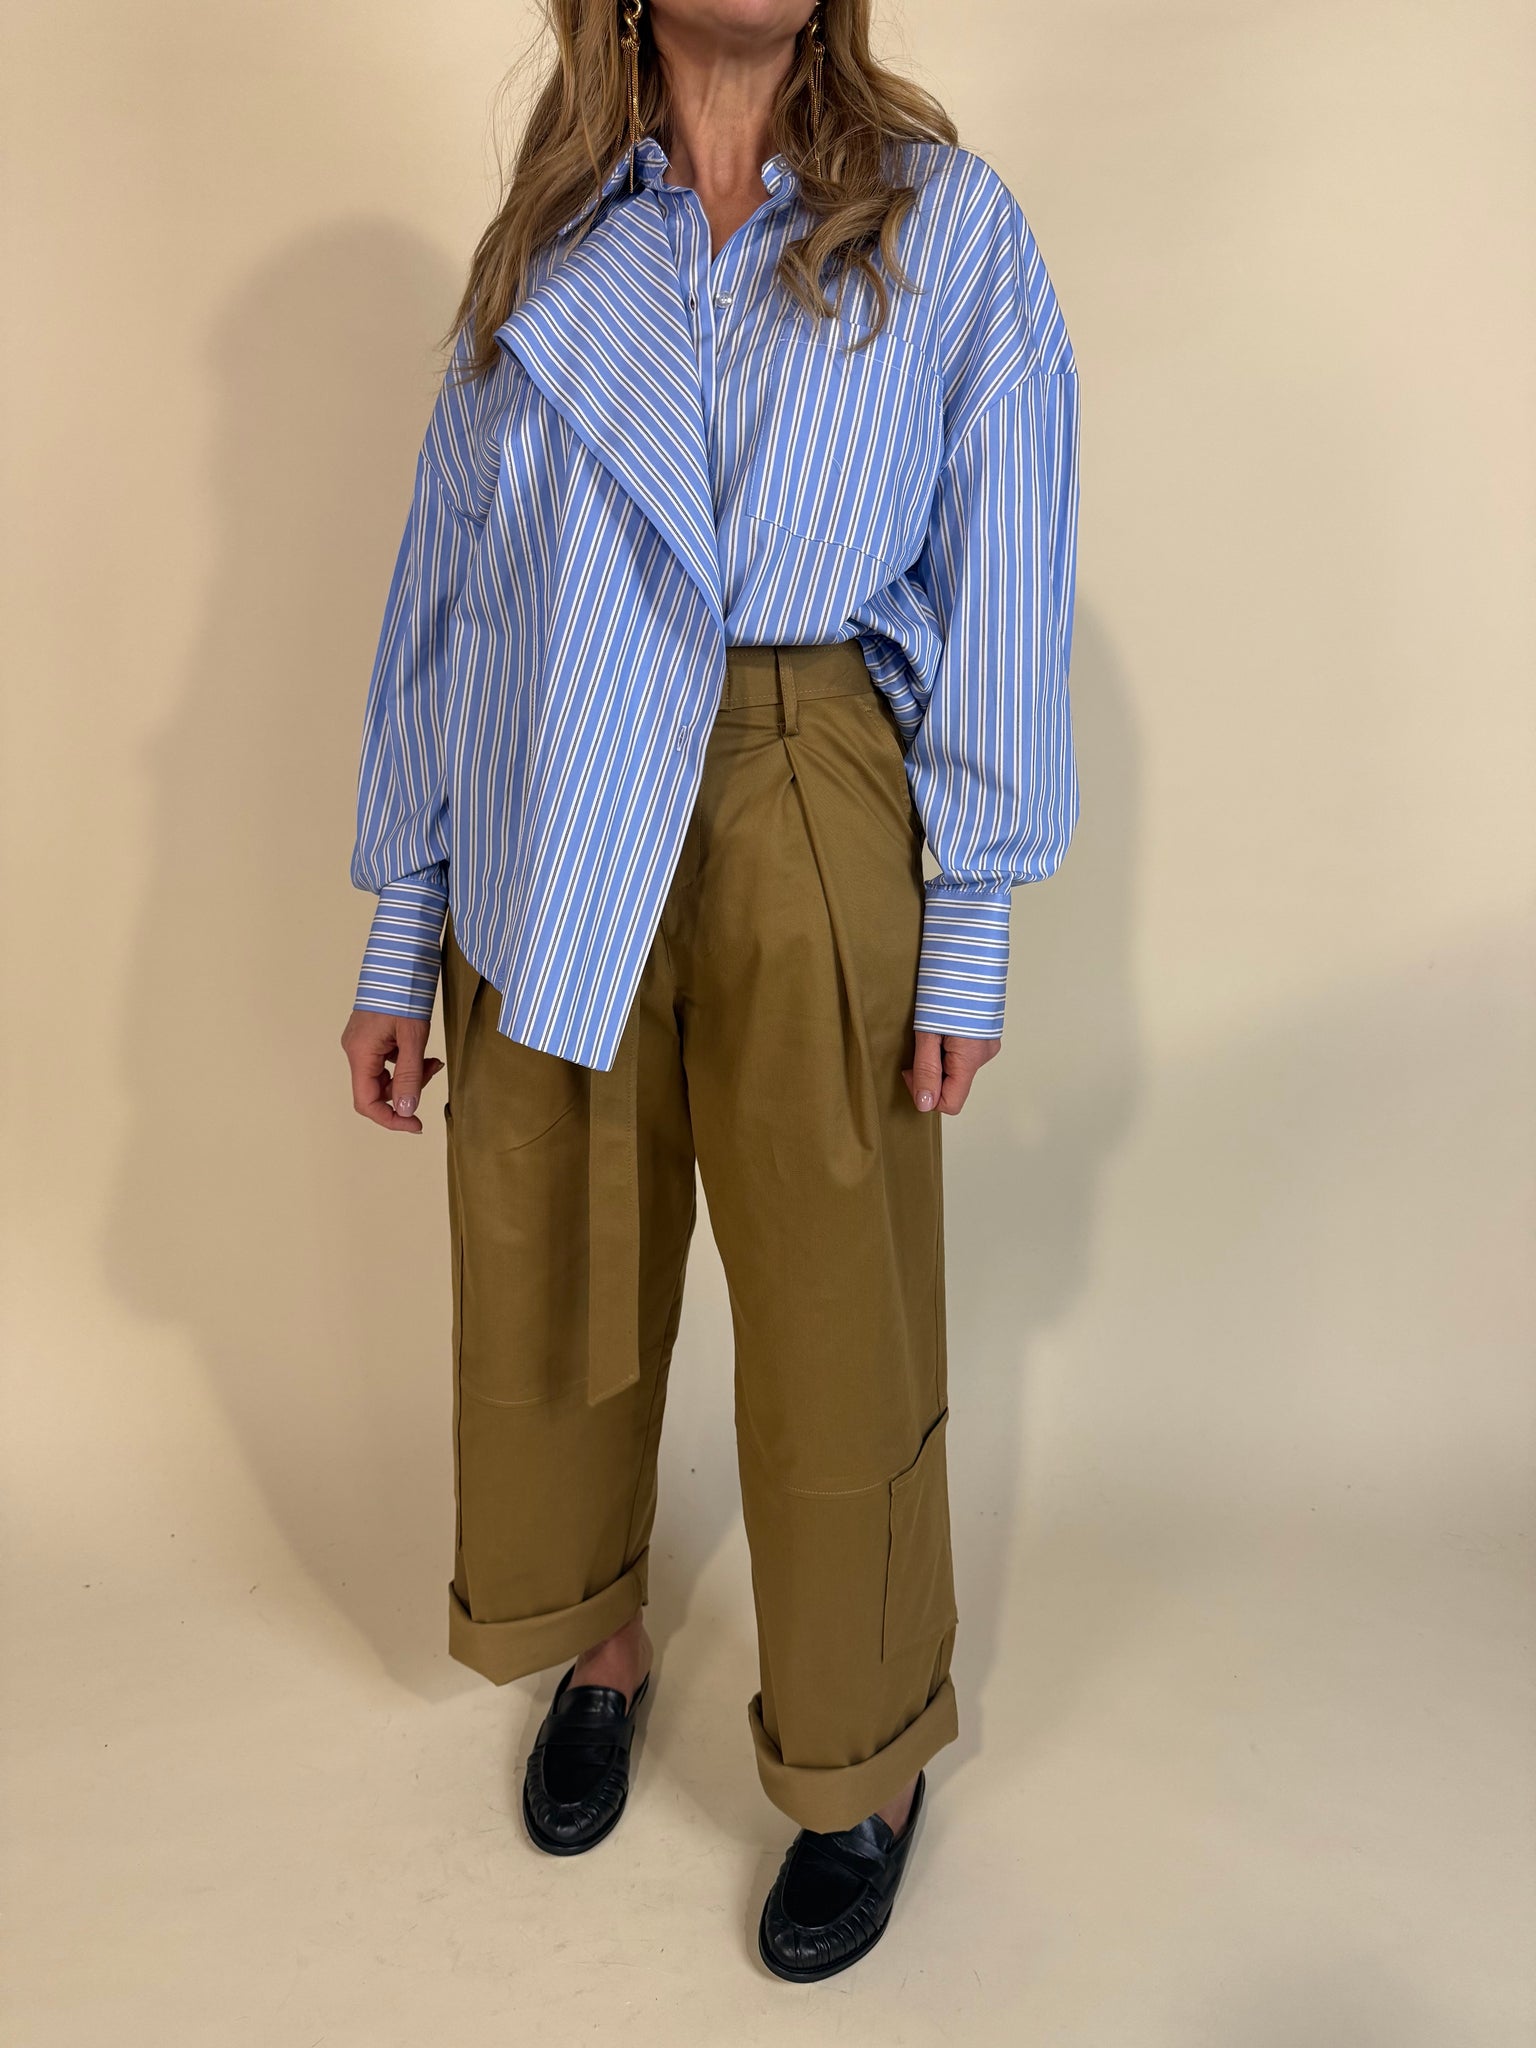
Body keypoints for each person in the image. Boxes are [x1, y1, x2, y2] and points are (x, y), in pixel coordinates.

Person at [340, 0, 1080, 1984]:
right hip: (552, 780)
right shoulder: (551, 236)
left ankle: (860, 1751)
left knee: (842, 1307)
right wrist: (400, 928)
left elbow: (1005, 561)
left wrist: (973, 917)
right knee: (553, 1248)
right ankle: (594, 1632)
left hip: (803, 767)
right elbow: (447, 591)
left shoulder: (941, 221)